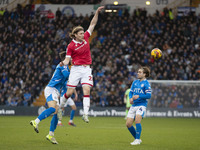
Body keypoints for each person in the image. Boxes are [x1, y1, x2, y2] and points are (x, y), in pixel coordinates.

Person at [60, 6, 104, 123]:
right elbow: (67, 60)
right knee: (69, 93)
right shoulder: (70, 46)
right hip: (75, 69)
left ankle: (85, 114)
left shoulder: (85, 37)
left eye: (83, 32)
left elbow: (92, 24)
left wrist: (97, 13)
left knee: (86, 90)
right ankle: (60, 108)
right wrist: (62, 63)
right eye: (80, 33)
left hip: (86, 69)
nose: (83, 34)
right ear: (75, 35)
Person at [30, 51, 72, 144]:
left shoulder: (66, 68)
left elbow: (65, 84)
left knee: (57, 111)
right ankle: (36, 121)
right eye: (71, 57)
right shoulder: (62, 65)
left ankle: (50, 135)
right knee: (53, 109)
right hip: (51, 89)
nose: (72, 59)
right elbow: (66, 76)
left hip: (55, 91)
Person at [126, 66, 152, 145]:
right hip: (134, 105)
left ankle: (137, 140)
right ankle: (138, 139)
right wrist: (130, 98)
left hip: (141, 105)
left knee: (137, 120)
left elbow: (149, 96)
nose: (138, 73)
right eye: (138, 72)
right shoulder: (135, 82)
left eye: (140, 72)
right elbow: (131, 92)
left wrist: (139, 96)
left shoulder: (146, 84)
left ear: (144, 74)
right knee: (128, 124)